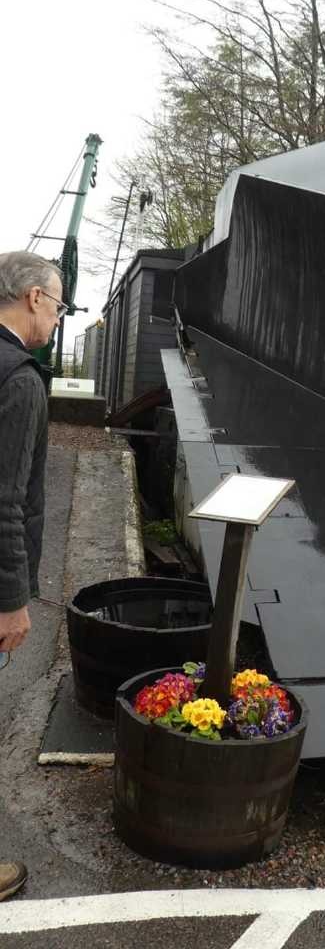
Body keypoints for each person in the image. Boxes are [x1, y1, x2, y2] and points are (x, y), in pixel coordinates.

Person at [0, 251, 64, 902]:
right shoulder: (19, 380)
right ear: (34, 298)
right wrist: (12, 601)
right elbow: (5, 501)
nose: (58, 314)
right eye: (59, 302)